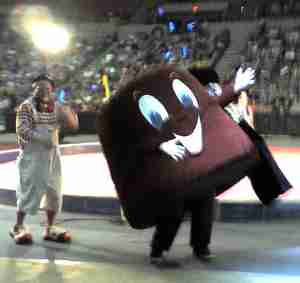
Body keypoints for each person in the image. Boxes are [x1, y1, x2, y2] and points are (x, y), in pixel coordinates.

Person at [11, 74, 79, 244]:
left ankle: (50, 228)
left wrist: (70, 114)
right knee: (29, 192)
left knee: (54, 192)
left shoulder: (56, 107)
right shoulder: (26, 107)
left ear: (52, 90)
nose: (43, 90)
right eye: (39, 88)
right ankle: (18, 226)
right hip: (32, 156)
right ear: (33, 89)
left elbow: (73, 126)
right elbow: (22, 130)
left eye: (46, 88)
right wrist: (43, 138)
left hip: (53, 155)